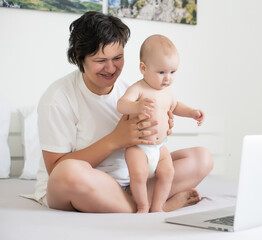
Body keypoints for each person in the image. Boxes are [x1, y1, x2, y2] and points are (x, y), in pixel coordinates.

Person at [32, 11, 213, 213]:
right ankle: (158, 207)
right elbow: (55, 168)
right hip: (85, 184)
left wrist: (159, 127)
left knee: (202, 158)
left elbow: (152, 133)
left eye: (117, 58)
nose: (111, 68)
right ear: (78, 58)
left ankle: (139, 205)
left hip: (135, 182)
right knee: (67, 173)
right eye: (100, 60)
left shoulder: (133, 90)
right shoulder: (58, 97)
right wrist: (115, 140)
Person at [117, 34, 205, 213]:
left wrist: (192, 113)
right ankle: (142, 206)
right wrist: (136, 106)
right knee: (139, 175)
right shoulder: (138, 89)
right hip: (139, 147)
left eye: (172, 72)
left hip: (160, 147)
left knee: (168, 173)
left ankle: (158, 207)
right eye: (161, 72)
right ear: (143, 68)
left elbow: (176, 106)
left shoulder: (167, 91)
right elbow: (121, 105)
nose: (168, 78)